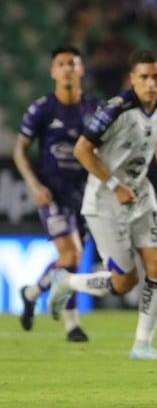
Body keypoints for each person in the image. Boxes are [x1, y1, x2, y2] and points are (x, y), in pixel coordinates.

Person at [47, 49, 157, 360]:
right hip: (105, 201)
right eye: (144, 77)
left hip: (141, 196)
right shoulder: (116, 109)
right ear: (132, 79)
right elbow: (82, 150)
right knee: (125, 282)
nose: (150, 83)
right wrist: (114, 185)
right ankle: (66, 281)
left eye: (156, 77)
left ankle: (142, 345)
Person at [15, 46, 103, 342]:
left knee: (72, 261)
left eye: (72, 63)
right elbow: (19, 150)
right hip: (52, 194)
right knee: (71, 254)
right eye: (61, 64)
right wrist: (34, 185)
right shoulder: (42, 109)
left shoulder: (95, 108)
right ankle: (72, 324)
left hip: (85, 194)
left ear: (81, 70)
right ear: (53, 71)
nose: (67, 68)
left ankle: (31, 293)